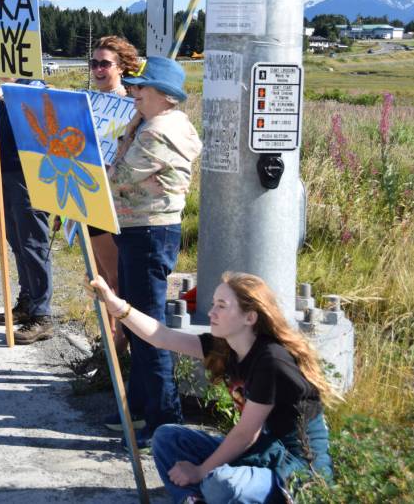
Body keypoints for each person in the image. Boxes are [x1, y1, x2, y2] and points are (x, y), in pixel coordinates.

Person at [89, 271, 336, 503]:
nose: (211, 312)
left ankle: (205, 492)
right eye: (213, 303)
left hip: (299, 467)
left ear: (250, 318)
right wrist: (115, 305)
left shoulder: (271, 360)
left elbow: (245, 434)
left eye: (221, 306)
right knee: (166, 438)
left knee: (221, 484)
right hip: (263, 451)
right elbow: (162, 337)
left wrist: (199, 471)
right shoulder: (226, 348)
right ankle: (194, 499)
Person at [107, 55, 201, 444]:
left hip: (149, 232)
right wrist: (131, 127)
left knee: (149, 330)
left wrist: (128, 135)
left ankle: (166, 422)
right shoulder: (154, 123)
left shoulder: (158, 131)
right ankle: (142, 409)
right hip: (140, 229)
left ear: (163, 94)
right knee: (136, 321)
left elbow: (118, 177)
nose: (133, 93)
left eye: (140, 87)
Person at [0, 77, 54, 344]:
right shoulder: (3, 91)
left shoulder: (34, 87)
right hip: (7, 175)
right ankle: (27, 301)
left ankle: (42, 314)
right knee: (18, 245)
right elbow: (0, 144)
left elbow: (31, 115)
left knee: (34, 245)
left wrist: (2, 93)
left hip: (30, 177)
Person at [88, 35, 142, 361]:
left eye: (104, 63)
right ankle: (107, 340)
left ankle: (119, 345)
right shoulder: (90, 102)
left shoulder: (131, 107)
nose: (97, 69)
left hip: (114, 200)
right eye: (93, 63)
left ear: (120, 67)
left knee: (113, 277)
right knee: (96, 277)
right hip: (87, 195)